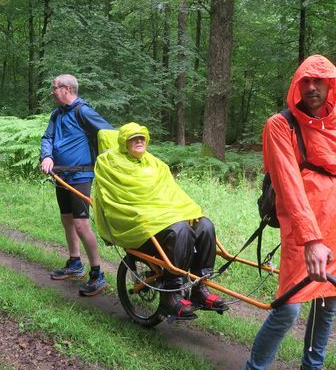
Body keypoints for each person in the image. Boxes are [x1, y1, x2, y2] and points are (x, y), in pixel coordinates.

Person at [244, 55, 336, 370]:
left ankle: (313, 367)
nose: (311, 87)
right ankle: (255, 367)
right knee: (288, 308)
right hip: (301, 231)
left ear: (330, 84)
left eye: (318, 81)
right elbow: (289, 186)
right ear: (297, 85)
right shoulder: (280, 125)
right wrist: (311, 239)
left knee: (327, 304)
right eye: (305, 81)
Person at [93, 122, 227, 320]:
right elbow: (112, 197)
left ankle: (200, 287)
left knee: (205, 225)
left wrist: (183, 211)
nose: (139, 141)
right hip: (138, 224)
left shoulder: (156, 164)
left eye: (142, 137)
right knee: (180, 229)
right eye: (133, 138)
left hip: (163, 217)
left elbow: (173, 194)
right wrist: (155, 214)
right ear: (123, 142)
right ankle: (171, 294)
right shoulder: (108, 162)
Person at [40, 74, 113, 297]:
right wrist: (47, 156)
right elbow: (47, 138)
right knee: (67, 220)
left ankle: (97, 273)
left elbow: (110, 135)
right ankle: (75, 263)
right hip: (60, 175)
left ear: (67, 89)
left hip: (81, 176)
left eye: (55, 88)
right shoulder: (56, 114)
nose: (52, 91)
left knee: (82, 225)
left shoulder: (84, 112)